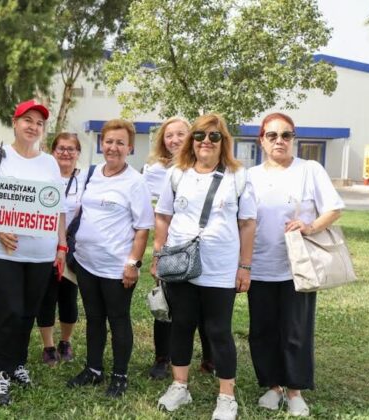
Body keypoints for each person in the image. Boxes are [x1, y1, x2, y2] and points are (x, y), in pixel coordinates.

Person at [153, 113, 256, 420]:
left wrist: (245, 267)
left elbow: (248, 224)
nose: (206, 142)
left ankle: (226, 397)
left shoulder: (238, 175)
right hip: (180, 264)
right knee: (182, 325)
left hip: (220, 267)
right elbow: (162, 216)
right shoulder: (176, 173)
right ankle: (179, 387)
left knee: (218, 331)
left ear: (224, 141)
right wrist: (158, 255)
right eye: (199, 136)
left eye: (214, 136)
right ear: (191, 141)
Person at [247, 113, 344, 417]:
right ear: (262, 140)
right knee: (262, 330)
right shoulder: (250, 175)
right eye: (272, 135)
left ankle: (295, 391)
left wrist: (310, 226)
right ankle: (273, 386)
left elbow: (334, 208)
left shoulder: (309, 169)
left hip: (296, 266)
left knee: (295, 330)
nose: (279, 141)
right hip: (259, 264)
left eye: (286, 135)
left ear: (293, 139)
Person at [0, 99, 67, 406]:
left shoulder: (49, 163)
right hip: (1, 251)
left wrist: (61, 244)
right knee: (9, 311)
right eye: (27, 120)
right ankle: (0, 376)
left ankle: (17, 364)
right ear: (15, 123)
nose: (33, 126)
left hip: (40, 253)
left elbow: (57, 209)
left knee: (28, 312)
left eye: (39, 123)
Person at [66, 120, 154, 398]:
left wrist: (133, 264)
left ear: (129, 148)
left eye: (120, 143)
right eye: (109, 141)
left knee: (118, 320)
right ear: (101, 144)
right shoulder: (92, 174)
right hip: (86, 262)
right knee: (93, 318)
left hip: (117, 267)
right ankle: (93, 369)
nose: (113, 147)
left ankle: (119, 375)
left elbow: (142, 229)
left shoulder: (136, 181)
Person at [143, 117, 214, 380]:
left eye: (180, 134)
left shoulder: (207, 166)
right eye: (168, 135)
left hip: (205, 246)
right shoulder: (155, 170)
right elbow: (154, 212)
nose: (174, 140)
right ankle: (163, 358)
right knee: (166, 307)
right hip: (172, 248)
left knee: (207, 306)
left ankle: (210, 358)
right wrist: (158, 253)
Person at [36, 133, 84, 366]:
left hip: (73, 248)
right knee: (46, 296)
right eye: (61, 148)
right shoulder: (43, 177)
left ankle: (65, 341)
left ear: (78, 153)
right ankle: (48, 346)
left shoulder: (86, 179)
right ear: (52, 151)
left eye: (71, 149)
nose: (66, 153)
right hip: (45, 244)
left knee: (68, 297)